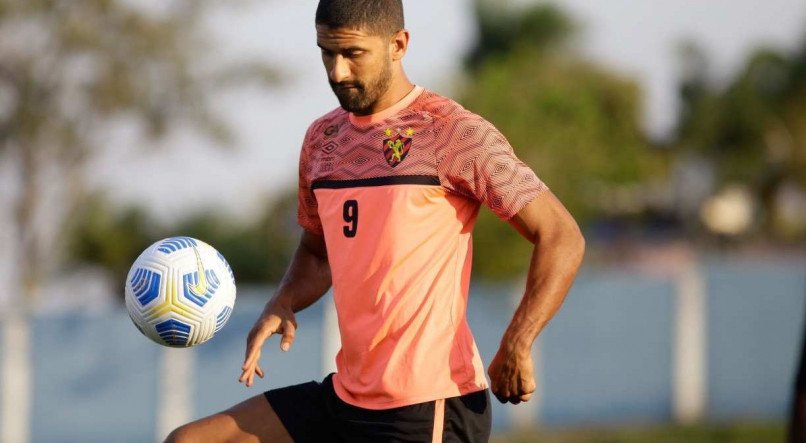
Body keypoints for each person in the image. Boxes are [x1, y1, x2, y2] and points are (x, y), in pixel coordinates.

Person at [166, 0, 584, 441]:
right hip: (347, 397)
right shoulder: (322, 140)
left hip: (427, 405)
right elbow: (317, 251)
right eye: (327, 53)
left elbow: (560, 235)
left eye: (352, 54)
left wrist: (518, 341)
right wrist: (283, 300)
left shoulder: (452, 133)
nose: (337, 72)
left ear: (398, 44)